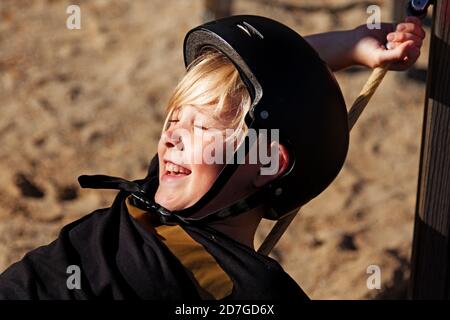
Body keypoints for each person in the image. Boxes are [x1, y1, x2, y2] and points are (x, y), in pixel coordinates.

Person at [0, 15, 425, 300]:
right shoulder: (166, 191)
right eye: (173, 121)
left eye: (200, 127)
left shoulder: (249, 292)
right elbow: (276, 74)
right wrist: (352, 46)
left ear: (265, 162)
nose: (170, 140)